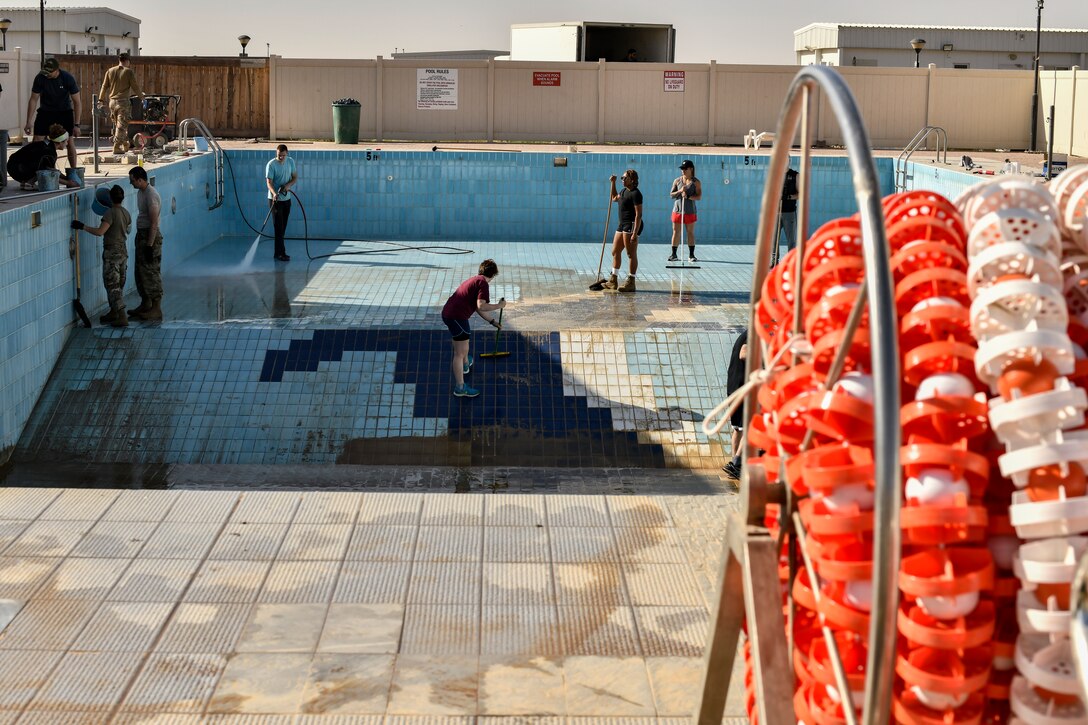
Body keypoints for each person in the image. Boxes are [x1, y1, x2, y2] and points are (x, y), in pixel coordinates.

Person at [441, 259, 506, 398]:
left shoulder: (475, 280)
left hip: (451, 314)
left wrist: (492, 321)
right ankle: (460, 387)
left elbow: (477, 307)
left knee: (463, 344)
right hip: (456, 317)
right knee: (459, 353)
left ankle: (465, 364)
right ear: (493, 275)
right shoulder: (483, 283)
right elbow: (482, 305)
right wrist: (499, 306)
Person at [70, 185, 132, 327]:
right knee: (119, 283)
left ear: (110, 198)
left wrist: (82, 226)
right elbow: (128, 230)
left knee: (112, 284)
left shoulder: (110, 213)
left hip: (112, 252)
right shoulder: (126, 212)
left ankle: (122, 316)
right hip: (123, 251)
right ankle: (114, 312)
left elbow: (100, 232)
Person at [24, 58, 81, 172]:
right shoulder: (40, 78)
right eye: (46, 72)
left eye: (50, 72)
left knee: (69, 141)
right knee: (37, 140)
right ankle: (35, 171)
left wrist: (77, 125)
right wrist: (28, 121)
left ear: (57, 70)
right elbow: (33, 99)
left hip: (64, 112)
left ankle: (73, 171)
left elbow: (77, 102)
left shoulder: (67, 78)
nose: (47, 75)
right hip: (46, 112)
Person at [128, 166, 164, 321]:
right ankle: (145, 303)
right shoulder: (141, 192)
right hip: (142, 236)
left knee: (151, 272)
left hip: (150, 237)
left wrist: (149, 245)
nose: (131, 183)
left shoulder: (151, 195)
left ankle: (156, 309)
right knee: (140, 272)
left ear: (140, 180)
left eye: (132, 181)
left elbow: (154, 223)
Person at [7, 123, 81, 190]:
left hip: (12, 167)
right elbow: (50, 173)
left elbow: (52, 170)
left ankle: (25, 182)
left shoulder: (46, 144)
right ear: (60, 142)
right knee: (44, 170)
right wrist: (68, 183)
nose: (67, 144)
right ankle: (29, 183)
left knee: (43, 166)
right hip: (19, 169)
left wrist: (66, 178)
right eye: (66, 141)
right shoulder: (50, 153)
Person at [603, 170, 643, 292]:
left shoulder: (636, 194)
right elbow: (614, 198)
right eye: (622, 178)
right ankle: (613, 280)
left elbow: (638, 215)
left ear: (632, 180)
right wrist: (613, 183)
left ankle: (631, 281)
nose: (623, 180)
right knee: (615, 251)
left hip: (632, 225)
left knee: (631, 254)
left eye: (625, 178)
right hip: (622, 224)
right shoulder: (623, 191)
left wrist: (635, 233)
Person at [98, 52, 144, 155]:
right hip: (123, 103)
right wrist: (142, 98)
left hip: (112, 102)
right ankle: (116, 147)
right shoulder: (128, 72)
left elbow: (104, 86)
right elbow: (135, 87)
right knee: (121, 126)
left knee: (119, 126)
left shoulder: (110, 71)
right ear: (127, 61)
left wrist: (100, 100)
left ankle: (125, 143)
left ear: (119, 60)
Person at [722, 328, 748, 480]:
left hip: (734, 386)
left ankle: (734, 465)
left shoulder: (744, 334)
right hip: (743, 387)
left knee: (739, 428)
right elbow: (743, 353)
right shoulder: (754, 335)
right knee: (750, 427)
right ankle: (737, 463)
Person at [266, 144, 297, 261]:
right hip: (275, 200)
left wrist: (288, 185)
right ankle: (281, 253)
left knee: (283, 227)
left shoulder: (290, 162)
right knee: (278, 227)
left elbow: (295, 177)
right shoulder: (271, 164)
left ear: (287, 153)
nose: (281, 157)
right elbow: (269, 182)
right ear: (276, 153)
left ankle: (277, 253)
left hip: (287, 199)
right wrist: (274, 193)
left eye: (283, 155)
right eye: (279, 155)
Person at [668, 159, 702, 263]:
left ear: (691, 169)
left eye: (685, 169)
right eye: (682, 169)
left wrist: (688, 196)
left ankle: (691, 255)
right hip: (677, 210)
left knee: (690, 232)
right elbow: (671, 195)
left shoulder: (696, 182)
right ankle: (674, 254)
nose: (683, 170)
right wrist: (680, 191)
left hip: (690, 211)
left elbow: (699, 196)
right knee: (676, 232)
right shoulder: (677, 181)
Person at [780, 166, 799, 253]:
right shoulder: (775, 174)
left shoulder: (795, 175)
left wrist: (788, 197)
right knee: (773, 239)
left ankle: (791, 258)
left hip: (789, 213)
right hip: (776, 213)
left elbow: (800, 194)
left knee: (791, 240)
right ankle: (774, 258)